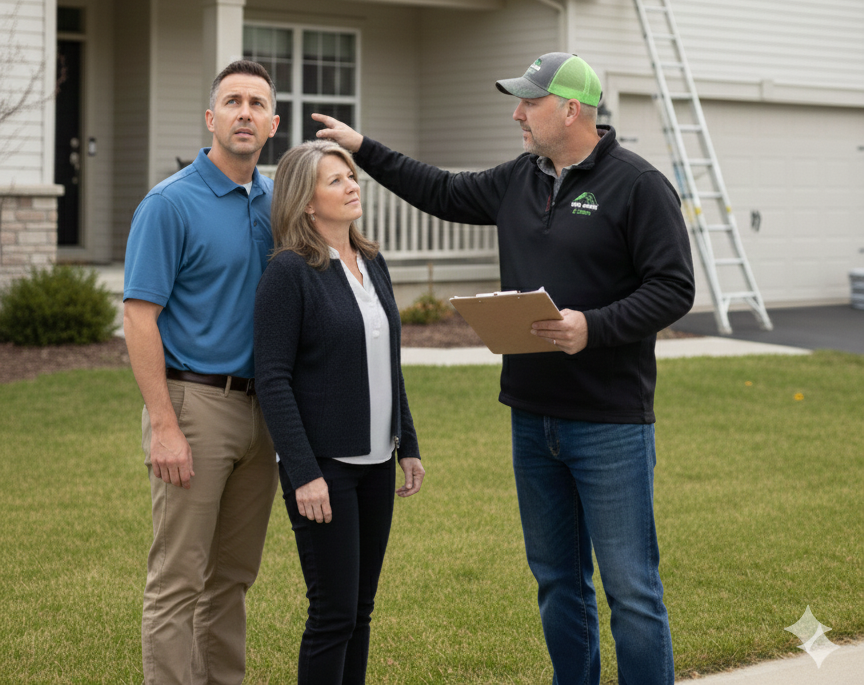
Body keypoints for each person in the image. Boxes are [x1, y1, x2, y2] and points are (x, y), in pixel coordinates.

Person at [311, 52, 695, 685]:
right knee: (555, 581)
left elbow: (673, 288)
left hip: (610, 423)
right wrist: (363, 148)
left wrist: (590, 327)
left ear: (570, 109)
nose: (517, 113)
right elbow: (439, 189)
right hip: (532, 418)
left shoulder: (638, 185)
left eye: (529, 103)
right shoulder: (521, 177)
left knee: (631, 589)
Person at [123, 60, 281, 685]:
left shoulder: (279, 202)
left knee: (233, 578)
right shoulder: (169, 204)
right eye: (233, 101)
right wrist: (164, 424)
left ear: (273, 123)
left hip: (264, 412)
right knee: (178, 579)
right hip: (195, 406)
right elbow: (139, 319)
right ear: (211, 118)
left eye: (257, 103)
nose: (245, 112)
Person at [254, 140, 424, 685]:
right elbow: (272, 379)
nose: (353, 185)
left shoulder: (372, 261)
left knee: (360, 610)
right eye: (336, 180)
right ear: (306, 201)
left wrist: (408, 445)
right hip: (324, 469)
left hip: (377, 461)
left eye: (352, 176)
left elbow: (387, 362)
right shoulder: (289, 272)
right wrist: (303, 472)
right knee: (332, 615)